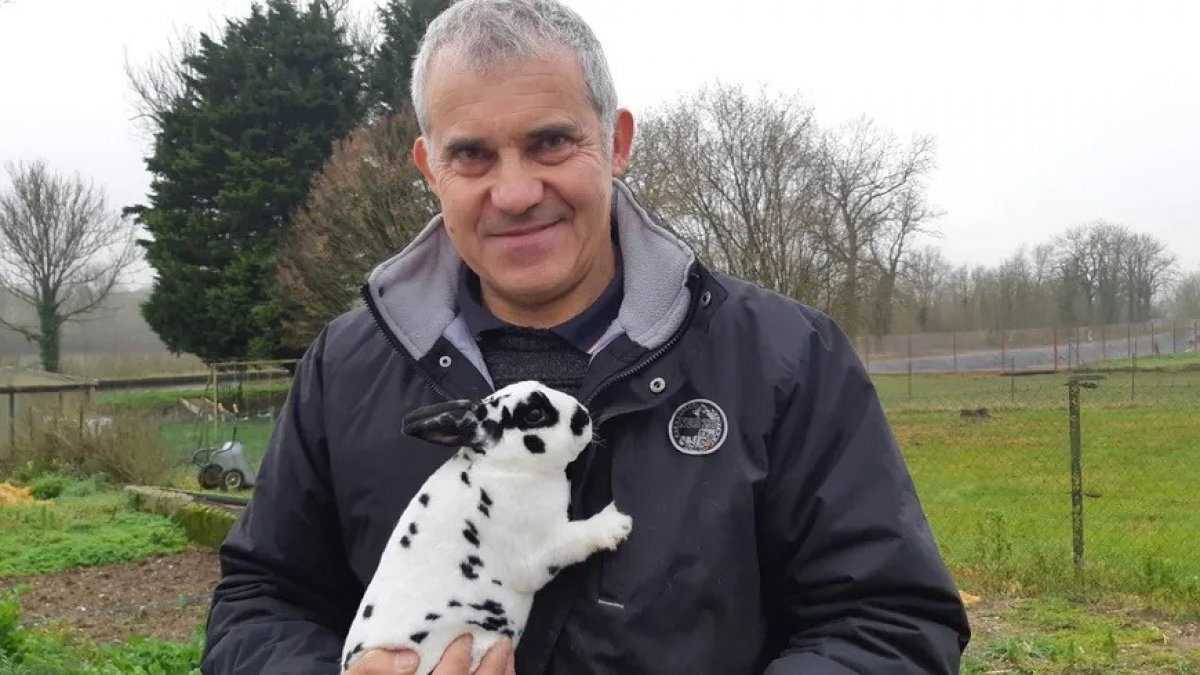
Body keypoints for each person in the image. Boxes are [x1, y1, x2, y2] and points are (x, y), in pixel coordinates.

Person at [200, 0, 972, 673]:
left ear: (619, 140)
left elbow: (889, 619)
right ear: (429, 167)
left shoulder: (784, 358)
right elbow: (260, 601)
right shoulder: (345, 369)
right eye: (471, 154)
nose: (514, 192)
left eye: (550, 143)